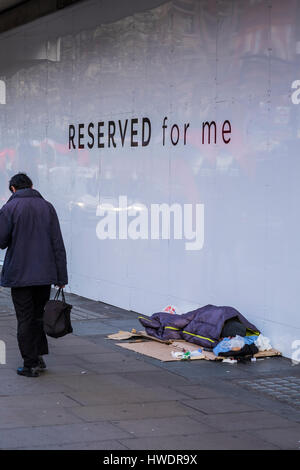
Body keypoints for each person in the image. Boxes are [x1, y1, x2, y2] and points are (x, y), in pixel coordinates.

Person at [0, 173, 68, 377]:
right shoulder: (47, 207)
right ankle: (38, 357)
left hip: (20, 275)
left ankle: (30, 364)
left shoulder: (9, 208)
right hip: (44, 275)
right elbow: (58, 243)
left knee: (25, 319)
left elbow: (1, 241)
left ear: (13, 189)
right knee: (39, 316)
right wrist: (61, 277)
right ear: (31, 186)